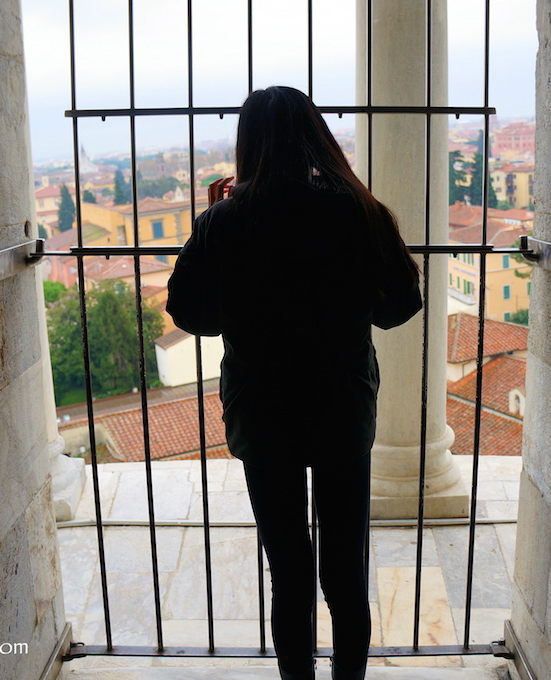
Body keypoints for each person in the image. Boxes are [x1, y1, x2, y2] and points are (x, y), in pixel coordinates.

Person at [166, 86, 422, 680]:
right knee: (345, 572)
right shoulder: (360, 212)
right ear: (318, 135)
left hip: (263, 411)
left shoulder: (226, 220)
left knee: (289, 569)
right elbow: (399, 307)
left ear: (246, 142)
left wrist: (209, 224)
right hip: (341, 405)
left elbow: (193, 317)